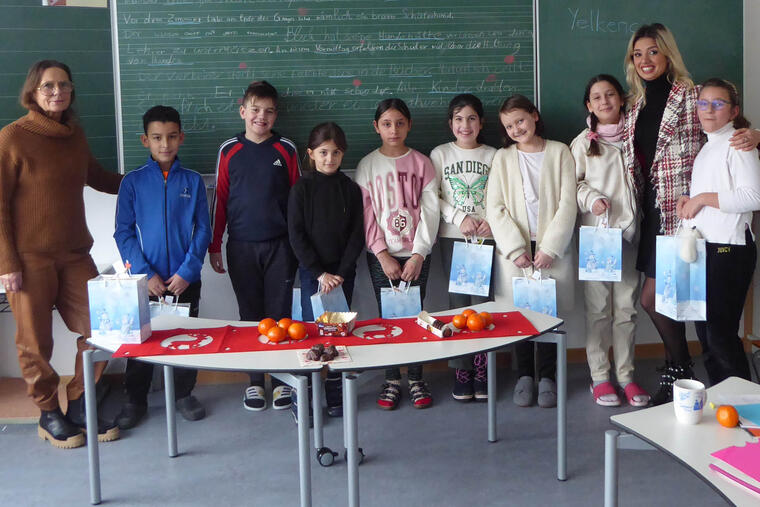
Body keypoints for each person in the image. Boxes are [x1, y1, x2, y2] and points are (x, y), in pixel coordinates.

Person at [0, 60, 122, 448]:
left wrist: (149, 178)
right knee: (35, 343)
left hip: (74, 254)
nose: (57, 92)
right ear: (33, 92)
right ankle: (48, 412)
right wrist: (7, 264)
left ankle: (82, 402)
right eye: (48, 86)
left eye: (64, 85)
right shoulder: (12, 138)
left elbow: (99, 178)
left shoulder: (75, 136)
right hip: (29, 258)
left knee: (104, 328)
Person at [113, 105, 211, 429]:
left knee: (186, 337)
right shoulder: (132, 183)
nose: (164, 144)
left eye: (171, 137)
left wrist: (188, 270)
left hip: (184, 280)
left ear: (180, 138)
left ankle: (184, 394)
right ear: (145, 140)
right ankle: (134, 399)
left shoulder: (194, 182)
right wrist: (144, 274)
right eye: (157, 138)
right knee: (141, 340)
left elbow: (203, 230)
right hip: (145, 281)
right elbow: (123, 233)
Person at [209, 80, 300, 412]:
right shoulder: (229, 150)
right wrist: (215, 245)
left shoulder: (286, 149)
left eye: (269, 111)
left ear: (276, 115)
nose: (261, 116)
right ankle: (254, 381)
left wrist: (299, 247)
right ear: (243, 110)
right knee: (250, 316)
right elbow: (219, 199)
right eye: (255, 109)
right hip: (242, 246)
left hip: (281, 247)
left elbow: (297, 202)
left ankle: (280, 382)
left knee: (280, 315)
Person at [486, 94, 577, 408]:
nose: (515, 129)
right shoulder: (503, 158)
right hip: (518, 251)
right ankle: (524, 375)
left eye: (520, 120)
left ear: (534, 116)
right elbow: (494, 207)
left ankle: (548, 376)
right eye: (509, 126)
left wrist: (551, 247)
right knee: (518, 314)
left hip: (550, 247)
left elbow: (568, 203)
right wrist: (513, 249)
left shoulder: (560, 152)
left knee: (549, 313)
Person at [355, 98, 440, 410]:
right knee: (387, 317)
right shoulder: (367, 165)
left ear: (409, 125)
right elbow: (366, 214)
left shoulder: (422, 164)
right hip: (383, 256)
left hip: (417, 254)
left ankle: (416, 377)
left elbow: (431, 211)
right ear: (376, 127)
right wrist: (381, 253)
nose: (394, 130)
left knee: (416, 316)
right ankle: (392, 378)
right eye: (387, 124)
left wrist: (418, 253)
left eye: (400, 123)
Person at [571, 75, 649, 407]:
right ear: (589, 105)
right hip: (597, 241)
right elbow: (571, 186)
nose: (604, 102)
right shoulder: (583, 144)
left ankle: (627, 376)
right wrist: (591, 199)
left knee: (627, 309)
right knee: (599, 310)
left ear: (621, 99)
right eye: (597, 97)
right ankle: (600, 377)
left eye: (610, 95)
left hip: (630, 236)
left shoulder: (636, 137)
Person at [676, 78, 760, 385]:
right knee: (707, 336)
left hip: (730, 250)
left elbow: (754, 197)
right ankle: (722, 402)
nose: (707, 110)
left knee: (720, 335)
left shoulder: (738, 143)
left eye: (717, 103)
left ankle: (745, 409)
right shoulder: (708, 148)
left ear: (734, 110)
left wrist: (701, 199)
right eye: (702, 103)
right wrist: (691, 203)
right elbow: (714, 197)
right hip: (707, 250)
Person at [287, 122, 364, 418]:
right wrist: (320, 273)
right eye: (323, 152)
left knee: (339, 332)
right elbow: (296, 235)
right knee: (312, 332)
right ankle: (304, 395)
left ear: (343, 154)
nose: (329, 159)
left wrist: (341, 273)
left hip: (342, 275)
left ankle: (334, 390)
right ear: (311, 154)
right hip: (313, 274)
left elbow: (357, 234)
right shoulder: (301, 189)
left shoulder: (350, 189)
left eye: (335, 153)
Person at [430, 94, 496, 402]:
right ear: (450, 124)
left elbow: (503, 195)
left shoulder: (494, 155)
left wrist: (491, 223)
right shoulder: (440, 154)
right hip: (454, 237)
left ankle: (483, 369)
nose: (465, 125)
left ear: (481, 123)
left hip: (485, 238)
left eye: (471, 118)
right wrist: (459, 217)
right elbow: (433, 197)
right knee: (458, 307)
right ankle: (462, 369)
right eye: (458, 119)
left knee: (483, 305)